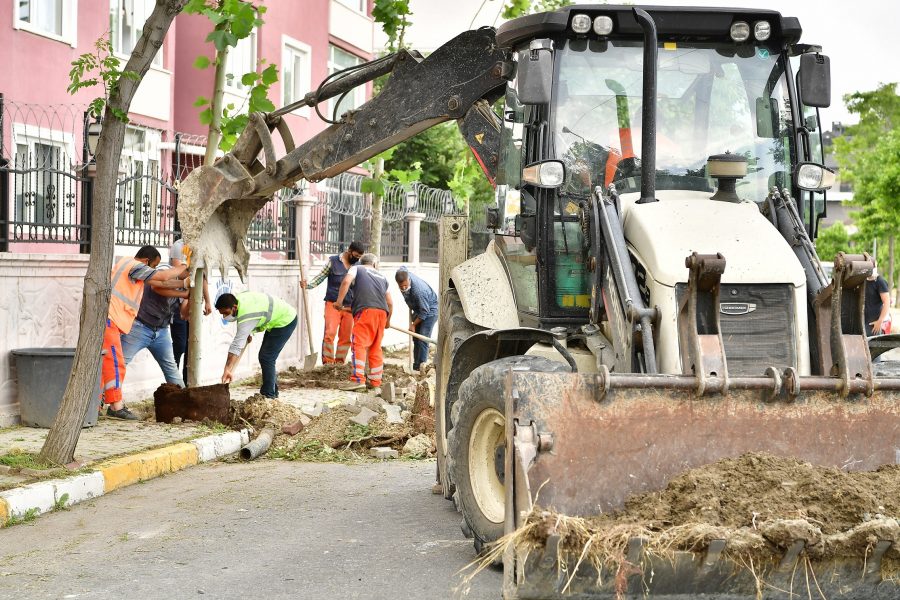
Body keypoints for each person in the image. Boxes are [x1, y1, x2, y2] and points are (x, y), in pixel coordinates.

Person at [103, 246, 188, 420]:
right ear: (146, 261)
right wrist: (186, 266)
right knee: (116, 364)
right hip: (112, 320)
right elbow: (162, 277)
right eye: (153, 266)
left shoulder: (127, 264)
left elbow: (160, 282)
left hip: (113, 320)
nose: (153, 271)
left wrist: (184, 284)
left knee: (110, 364)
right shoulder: (136, 266)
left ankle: (98, 404)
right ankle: (115, 406)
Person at [216, 291, 298, 399]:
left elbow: (236, 346)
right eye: (222, 314)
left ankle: (268, 395)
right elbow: (252, 318)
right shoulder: (239, 301)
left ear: (234, 307)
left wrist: (227, 369)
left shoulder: (246, 315)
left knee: (267, 357)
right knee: (267, 357)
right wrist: (247, 332)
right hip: (278, 316)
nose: (225, 316)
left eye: (226, 313)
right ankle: (273, 391)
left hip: (285, 320)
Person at [120, 265, 190, 388]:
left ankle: (184, 402)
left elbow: (184, 315)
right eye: (189, 272)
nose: (190, 276)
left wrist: (191, 296)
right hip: (140, 327)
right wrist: (184, 289)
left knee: (171, 368)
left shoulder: (186, 287)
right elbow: (157, 287)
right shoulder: (166, 274)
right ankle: (100, 401)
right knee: (119, 364)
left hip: (161, 331)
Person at [334, 253, 392, 392]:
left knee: (359, 344)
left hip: (366, 311)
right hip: (382, 313)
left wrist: (339, 302)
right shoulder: (383, 277)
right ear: (374, 264)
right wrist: (388, 321)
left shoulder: (357, 269)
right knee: (375, 347)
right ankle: (375, 381)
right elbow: (389, 302)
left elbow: (346, 282)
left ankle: (358, 379)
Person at [300, 241, 365, 364]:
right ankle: (328, 364)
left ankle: (339, 363)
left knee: (345, 337)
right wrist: (307, 285)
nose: (357, 259)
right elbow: (321, 276)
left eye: (359, 257)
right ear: (349, 251)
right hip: (333, 304)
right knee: (329, 333)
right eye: (355, 256)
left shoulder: (358, 266)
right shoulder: (333, 261)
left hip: (350, 307)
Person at [169, 237, 212, 384]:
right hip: (178, 299)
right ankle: (173, 382)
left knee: (192, 345)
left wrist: (207, 301)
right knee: (180, 344)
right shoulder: (179, 246)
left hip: (194, 301)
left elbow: (203, 278)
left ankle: (188, 383)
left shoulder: (202, 246)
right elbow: (178, 273)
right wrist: (194, 272)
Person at [395, 267, 438, 371]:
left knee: (422, 338)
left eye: (406, 285)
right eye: (401, 286)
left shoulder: (419, 291)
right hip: (419, 308)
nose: (404, 288)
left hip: (430, 310)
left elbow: (424, 312)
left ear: (409, 279)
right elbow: (403, 268)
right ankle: (416, 365)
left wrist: (413, 325)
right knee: (415, 338)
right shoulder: (402, 274)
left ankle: (421, 367)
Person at [865, 265, 891, 336]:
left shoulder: (880, 281)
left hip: (874, 325)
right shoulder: (863, 281)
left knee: (874, 346)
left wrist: (880, 321)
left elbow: (887, 302)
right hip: (863, 323)